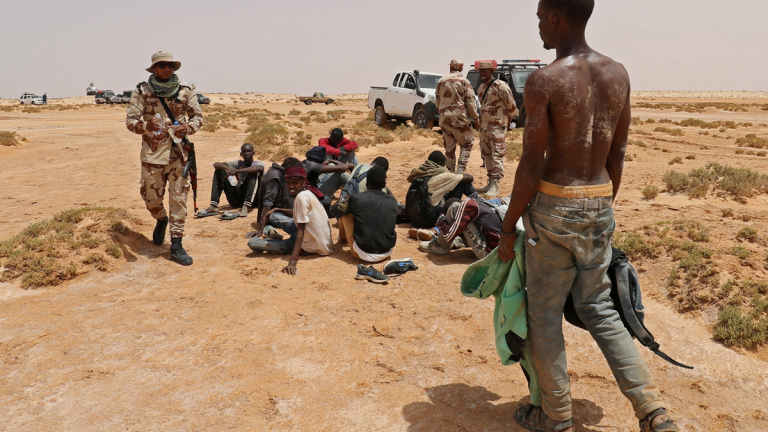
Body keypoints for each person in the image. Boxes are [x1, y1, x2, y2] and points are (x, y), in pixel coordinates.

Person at [497, 2, 679, 432]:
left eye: (540, 18)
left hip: (555, 205)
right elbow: (617, 152)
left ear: (554, 18)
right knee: (599, 308)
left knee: (544, 316)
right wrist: (599, 209)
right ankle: (653, 411)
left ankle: (556, 416)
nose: (539, 26)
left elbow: (531, 164)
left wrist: (507, 227)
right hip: (599, 200)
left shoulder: (545, 80)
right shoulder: (618, 74)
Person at [126, 51, 203, 266]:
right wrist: (146, 126)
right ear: (154, 69)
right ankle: (161, 219)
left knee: (179, 199)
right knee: (150, 198)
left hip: (179, 155)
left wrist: (187, 128)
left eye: (170, 66)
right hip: (152, 155)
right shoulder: (142, 91)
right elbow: (130, 121)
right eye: (162, 66)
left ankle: (176, 244)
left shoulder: (185, 91)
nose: (167, 69)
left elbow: (198, 117)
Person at [248, 166, 334, 276]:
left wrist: (292, 262)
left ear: (304, 181)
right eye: (288, 182)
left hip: (310, 245)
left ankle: (271, 232)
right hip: (319, 239)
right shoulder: (307, 192)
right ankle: (270, 231)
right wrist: (277, 209)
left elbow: (300, 233)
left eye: (295, 183)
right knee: (273, 215)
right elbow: (299, 212)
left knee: (252, 243)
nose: (291, 186)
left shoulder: (301, 197)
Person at [334, 166, 398, 263]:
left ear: (367, 183)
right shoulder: (393, 201)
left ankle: (343, 239)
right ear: (384, 184)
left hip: (363, 253)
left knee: (345, 212)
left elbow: (335, 211)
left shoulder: (357, 198)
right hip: (387, 251)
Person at [476, 60, 517, 197]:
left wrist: (507, 120)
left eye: (485, 71)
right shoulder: (481, 87)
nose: (482, 73)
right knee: (486, 154)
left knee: (497, 154)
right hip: (484, 127)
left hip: (497, 127)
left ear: (491, 72)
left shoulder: (501, 86)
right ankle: (490, 181)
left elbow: (511, 105)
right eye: (481, 71)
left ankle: (496, 184)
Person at [405, 150, 477, 227]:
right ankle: (479, 204)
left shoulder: (420, 173)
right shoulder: (442, 177)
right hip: (431, 219)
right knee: (463, 184)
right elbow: (470, 178)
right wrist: (455, 175)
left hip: (415, 220)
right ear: (439, 163)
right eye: (444, 165)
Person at [418, 196, 506, 259]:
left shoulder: (463, 208)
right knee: (463, 224)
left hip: (489, 254)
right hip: (503, 249)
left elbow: (447, 236)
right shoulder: (479, 203)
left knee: (455, 209)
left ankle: (439, 245)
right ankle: (457, 242)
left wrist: (442, 220)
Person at [196, 143, 264, 219]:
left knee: (254, 173)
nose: (246, 153)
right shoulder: (239, 163)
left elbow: (259, 168)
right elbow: (216, 164)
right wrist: (228, 169)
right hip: (237, 200)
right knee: (219, 170)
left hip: (254, 201)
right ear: (241, 154)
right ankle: (213, 205)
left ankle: (246, 206)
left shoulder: (258, 163)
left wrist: (237, 171)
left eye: (248, 151)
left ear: (253, 153)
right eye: (244, 152)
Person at [435, 59, 480, 174]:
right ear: (461, 69)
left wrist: (442, 113)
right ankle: (460, 170)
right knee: (467, 143)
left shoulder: (441, 81)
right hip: (459, 119)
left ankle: (450, 171)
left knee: (449, 148)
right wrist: (475, 118)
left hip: (444, 119)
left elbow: (437, 101)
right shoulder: (464, 81)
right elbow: (471, 102)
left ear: (450, 68)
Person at [249, 157, 302, 240]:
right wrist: (261, 229)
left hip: (277, 211)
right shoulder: (276, 177)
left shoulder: (276, 172)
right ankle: (268, 228)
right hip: (273, 216)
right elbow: (267, 203)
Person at [302, 146, 354, 213]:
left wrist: (330, 161)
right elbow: (342, 168)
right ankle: (357, 189)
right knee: (339, 173)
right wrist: (349, 165)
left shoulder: (305, 163)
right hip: (313, 197)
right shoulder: (314, 166)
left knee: (332, 165)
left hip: (307, 193)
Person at [317, 128, 358, 196]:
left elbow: (354, 144)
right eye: (335, 140)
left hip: (339, 163)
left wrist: (343, 148)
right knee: (326, 153)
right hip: (327, 167)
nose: (337, 142)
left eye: (339, 141)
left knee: (350, 151)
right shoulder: (323, 140)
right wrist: (339, 152)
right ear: (331, 138)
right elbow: (324, 147)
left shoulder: (342, 140)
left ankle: (357, 173)